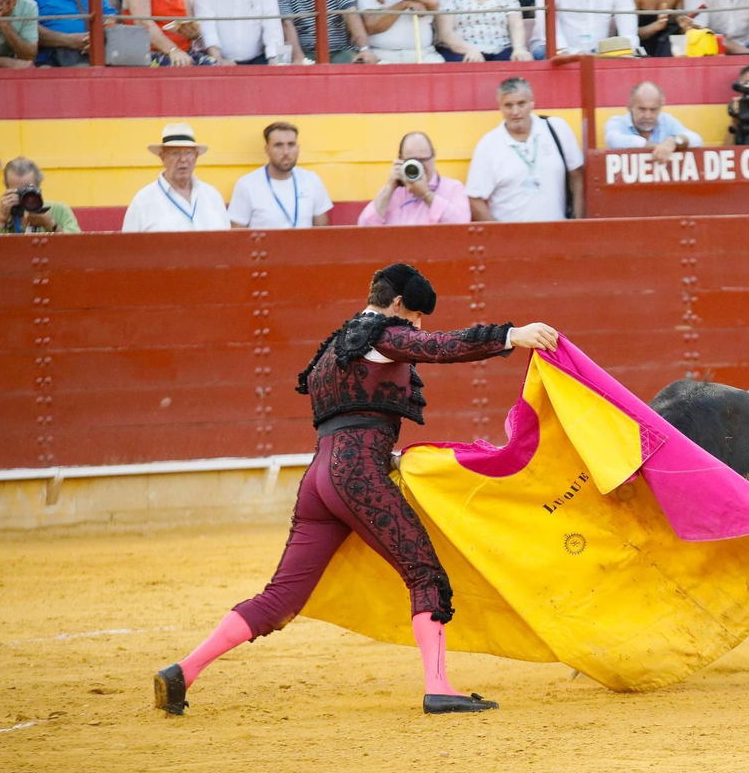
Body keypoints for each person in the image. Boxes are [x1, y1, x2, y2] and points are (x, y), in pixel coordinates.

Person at [153, 262, 562, 718]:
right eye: (417, 316)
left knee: (280, 596)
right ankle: (439, 686)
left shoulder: (334, 348)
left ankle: (183, 672)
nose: (418, 326)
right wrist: (510, 335)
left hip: (319, 481)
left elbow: (352, 413)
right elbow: (439, 347)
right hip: (358, 477)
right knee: (425, 574)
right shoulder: (382, 335)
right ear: (401, 304)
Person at [466, 76, 585, 222]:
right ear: (500, 107)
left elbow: (577, 175)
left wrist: (578, 221)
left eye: (521, 104)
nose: (515, 112)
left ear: (531, 102)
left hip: (558, 236)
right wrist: (499, 236)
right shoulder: (488, 145)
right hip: (513, 240)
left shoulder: (557, 128)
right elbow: (475, 199)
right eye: (508, 105)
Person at [124, 122, 231, 231]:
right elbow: (127, 246)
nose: (183, 159)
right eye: (175, 153)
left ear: (196, 156)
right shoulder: (143, 201)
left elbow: (228, 242)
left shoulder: (212, 196)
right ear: (163, 157)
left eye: (188, 153)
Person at [227, 121, 333, 229]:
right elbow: (237, 233)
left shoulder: (311, 180)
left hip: (304, 246)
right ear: (267, 150)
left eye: (291, 145)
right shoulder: (247, 184)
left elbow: (322, 228)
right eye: (278, 145)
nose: (286, 152)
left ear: (298, 148)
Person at [359, 130, 471, 224]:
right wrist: (389, 187)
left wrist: (426, 194)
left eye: (423, 160)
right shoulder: (392, 192)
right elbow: (364, 226)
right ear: (400, 159)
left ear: (434, 156)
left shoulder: (453, 188)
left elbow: (461, 223)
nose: (418, 166)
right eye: (412, 161)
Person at [0, 156, 83, 234]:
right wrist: (1, 218)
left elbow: (79, 247)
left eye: (28, 191)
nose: (23, 197)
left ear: (39, 187)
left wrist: (51, 225)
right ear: (7, 188)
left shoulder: (59, 210)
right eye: (17, 191)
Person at [604, 81, 702, 159]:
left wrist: (673, 141)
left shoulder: (666, 120)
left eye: (653, 110)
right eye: (642, 109)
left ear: (660, 108)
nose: (647, 116)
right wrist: (657, 147)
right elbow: (613, 140)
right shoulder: (617, 122)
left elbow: (697, 140)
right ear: (630, 106)